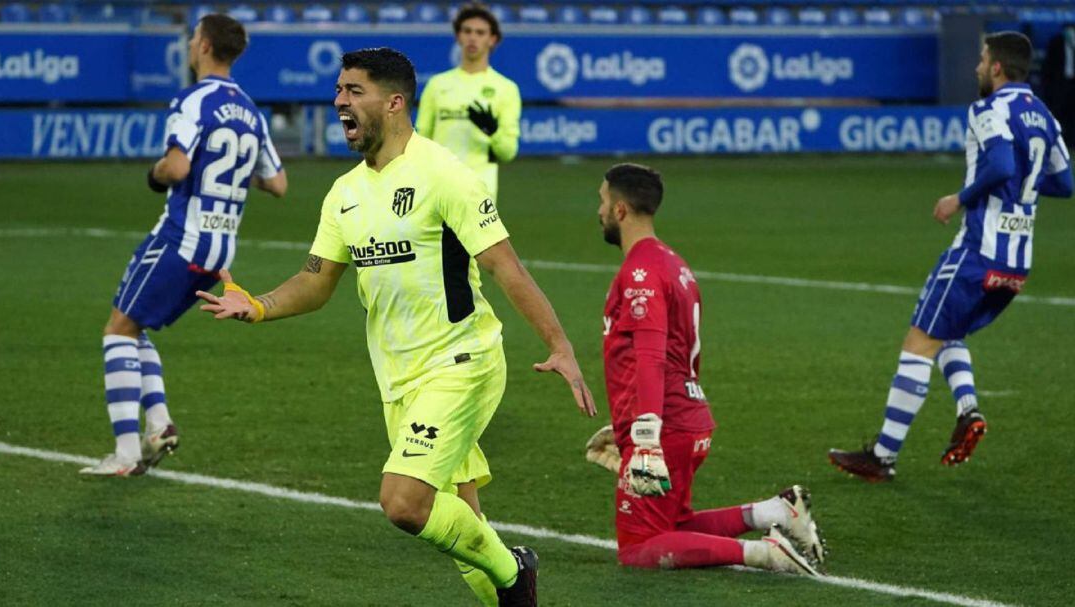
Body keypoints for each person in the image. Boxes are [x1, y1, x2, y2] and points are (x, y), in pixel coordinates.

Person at [196, 48, 595, 607]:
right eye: (338, 90)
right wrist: (258, 305)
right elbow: (316, 281)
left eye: (353, 91)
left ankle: (515, 570)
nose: (339, 101)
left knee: (404, 503)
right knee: (463, 535)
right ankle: (510, 589)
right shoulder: (345, 193)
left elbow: (507, 266)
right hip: (398, 378)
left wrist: (561, 346)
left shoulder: (443, 174)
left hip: (462, 361)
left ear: (395, 101)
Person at [829, 32, 1072, 482]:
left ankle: (882, 456)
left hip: (978, 251)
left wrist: (958, 198)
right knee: (947, 331)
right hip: (1017, 261)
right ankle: (968, 410)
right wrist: (1024, 183)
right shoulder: (1044, 116)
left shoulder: (987, 109)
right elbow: (1064, 182)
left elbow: (999, 165)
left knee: (919, 341)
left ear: (998, 67)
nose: (978, 67)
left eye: (982, 59)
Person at [589, 163, 825, 574]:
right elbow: (683, 356)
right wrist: (628, 423)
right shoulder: (674, 264)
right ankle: (777, 512)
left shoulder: (640, 271)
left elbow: (651, 355)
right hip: (686, 418)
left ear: (621, 210)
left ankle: (765, 553)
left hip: (666, 428)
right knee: (673, 524)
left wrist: (645, 435)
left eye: (603, 201)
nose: (599, 211)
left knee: (637, 548)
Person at [80, 13, 286, 476]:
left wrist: (154, 174)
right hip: (221, 252)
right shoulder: (251, 111)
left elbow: (174, 168)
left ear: (206, 47)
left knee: (117, 330)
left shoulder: (193, 100)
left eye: (194, 38)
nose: (191, 45)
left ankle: (126, 454)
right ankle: (159, 424)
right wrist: (232, 172)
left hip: (180, 238)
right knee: (139, 327)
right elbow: (278, 182)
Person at [415, 2, 520, 200]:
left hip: (480, 193)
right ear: (458, 36)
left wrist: (493, 131)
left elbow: (508, 153)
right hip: (438, 190)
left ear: (493, 39)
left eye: (480, 33)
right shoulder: (437, 85)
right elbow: (420, 144)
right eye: (467, 31)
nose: (473, 37)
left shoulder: (506, 88)